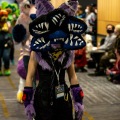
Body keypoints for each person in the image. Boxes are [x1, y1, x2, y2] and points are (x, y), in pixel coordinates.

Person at [22, 0, 87, 120]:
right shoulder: (38, 51)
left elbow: (72, 76)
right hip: (43, 99)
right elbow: (30, 77)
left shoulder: (67, 51)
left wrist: (78, 101)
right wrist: (28, 103)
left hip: (63, 99)